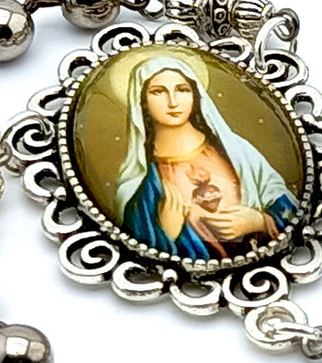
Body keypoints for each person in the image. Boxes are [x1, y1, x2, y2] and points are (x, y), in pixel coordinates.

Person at [111, 55, 298, 259]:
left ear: (195, 94)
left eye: (182, 90)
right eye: (158, 92)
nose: (173, 102)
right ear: (142, 101)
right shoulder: (141, 182)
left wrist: (261, 221)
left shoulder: (236, 151)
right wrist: (166, 233)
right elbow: (135, 242)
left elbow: (288, 205)